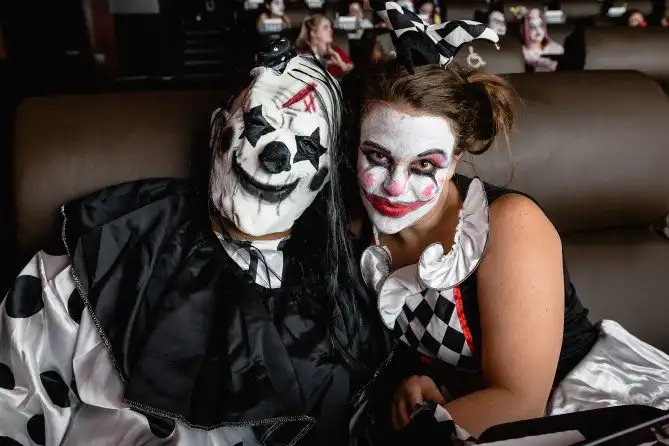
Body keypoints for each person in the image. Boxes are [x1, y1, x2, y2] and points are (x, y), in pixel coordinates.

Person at [0, 38, 388, 446]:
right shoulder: (110, 251)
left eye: (307, 145)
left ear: (325, 175)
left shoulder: (353, 290)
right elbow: (14, 402)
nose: (276, 155)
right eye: (258, 124)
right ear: (218, 130)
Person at [348, 2, 669, 444]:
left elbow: (519, 403)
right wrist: (416, 386)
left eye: (424, 165)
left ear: (455, 160)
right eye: (378, 157)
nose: (395, 187)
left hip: (587, 409)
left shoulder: (508, 226)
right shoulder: (353, 231)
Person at [296, 14, 355, 78]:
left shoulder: (330, 54)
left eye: (330, 27)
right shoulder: (302, 57)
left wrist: (341, 63)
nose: (331, 30)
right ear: (313, 33)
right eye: (325, 27)